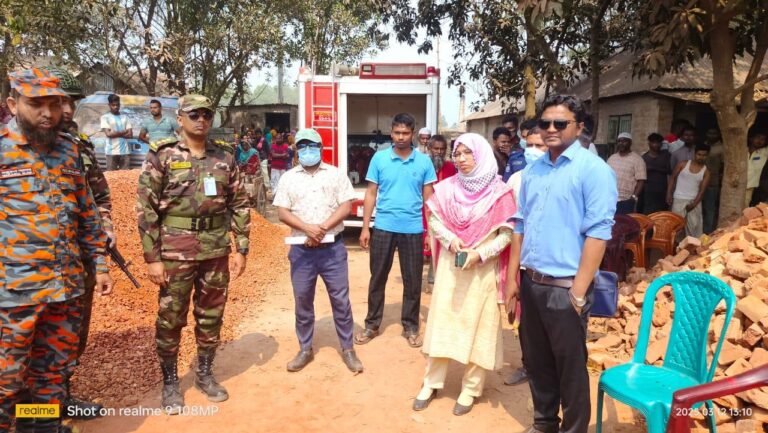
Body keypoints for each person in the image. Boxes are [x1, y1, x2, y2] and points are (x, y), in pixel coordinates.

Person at [0, 68, 113, 433]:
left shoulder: (68, 149)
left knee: (51, 375)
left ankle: (42, 427)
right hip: (14, 294)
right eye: (36, 105)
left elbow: (88, 214)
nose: (47, 113)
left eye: (54, 104)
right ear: (13, 104)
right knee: (6, 379)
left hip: (66, 288)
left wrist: (100, 263)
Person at [508, 94, 617, 433]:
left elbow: (598, 234)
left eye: (560, 123)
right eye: (545, 123)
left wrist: (579, 293)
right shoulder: (533, 170)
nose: (551, 129)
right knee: (537, 361)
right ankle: (544, 423)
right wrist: (512, 280)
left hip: (566, 287)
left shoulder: (594, 171)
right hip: (531, 282)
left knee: (570, 368)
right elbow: (520, 225)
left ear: (579, 127)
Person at [136, 94, 251, 414]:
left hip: (215, 250)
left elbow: (240, 203)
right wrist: (152, 258)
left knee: (211, 315)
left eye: (206, 114)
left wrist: (241, 247)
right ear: (180, 118)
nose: (201, 120)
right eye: (194, 114)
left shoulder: (224, 156)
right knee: (171, 317)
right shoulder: (162, 154)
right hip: (175, 251)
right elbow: (146, 209)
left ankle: (204, 373)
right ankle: (171, 382)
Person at [413, 133, 516, 416]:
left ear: (480, 155)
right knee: (442, 322)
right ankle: (431, 383)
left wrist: (480, 253)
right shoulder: (446, 188)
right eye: (457, 154)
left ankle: (470, 388)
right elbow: (434, 220)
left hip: (482, 270)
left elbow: (507, 234)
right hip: (452, 267)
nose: (460, 159)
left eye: (467, 153)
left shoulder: (500, 193)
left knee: (479, 327)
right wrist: (450, 240)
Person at [50, 66, 116, 420]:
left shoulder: (80, 147)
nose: (65, 110)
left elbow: (100, 197)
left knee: (72, 335)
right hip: (25, 267)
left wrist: (106, 229)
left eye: (71, 102)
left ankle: (60, 400)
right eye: (58, 101)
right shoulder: (10, 148)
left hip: (79, 261)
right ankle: (29, 412)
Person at [274, 128, 363, 373]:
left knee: (340, 300)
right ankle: (305, 349)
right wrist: (307, 229)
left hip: (332, 250)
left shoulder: (335, 175)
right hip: (301, 252)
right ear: (296, 150)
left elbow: (346, 207)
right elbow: (282, 212)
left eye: (312, 145)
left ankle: (348, 349)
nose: (307, 150)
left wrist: (321, 229)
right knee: (303, 300)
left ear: (321, 148)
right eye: (302, 146)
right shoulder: (288, 178)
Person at [355, 113, 437, 348]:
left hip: (413, 229)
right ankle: (372, 325)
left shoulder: (424, 162)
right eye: (397, 133)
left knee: (412, 280)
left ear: (413, 134)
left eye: (405, 133)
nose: (401, 137)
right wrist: (365, 228)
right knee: (377, 277)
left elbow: (429, 200)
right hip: (383, 227)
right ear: (391, 133)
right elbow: (371, 193)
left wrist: (430, 233)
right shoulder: (379, 159)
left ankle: (410, 327)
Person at [424, 134, 458, 287]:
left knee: (440, 244)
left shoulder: (451, 167)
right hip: (422, 212)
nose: (439, 152)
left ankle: (434, 280)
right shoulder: (423, 165)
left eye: (442, 149)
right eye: (436, 149)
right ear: (429, 149)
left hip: (443, 214)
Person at [667, 144, 711, 237]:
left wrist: (694, 204)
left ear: (707, 156)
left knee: (694, 227)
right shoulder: (683, 164)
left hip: (694, 201)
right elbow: (672, 178)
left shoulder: (706, 172)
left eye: (704, 155)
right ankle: (676, 245)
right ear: (695, 154)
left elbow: (702, 191)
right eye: (699, 154)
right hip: (679, 199)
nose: (701, 157)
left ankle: (692, 245)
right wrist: (669, 194)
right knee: (676, 226)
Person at [607, 132, 646, 215]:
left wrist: (634, 197)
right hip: (609, 199)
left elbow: (641, 180)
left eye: (624, 141)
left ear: (630, 143)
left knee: (624, 222)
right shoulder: (611, 158)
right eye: (619, 141)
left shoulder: (637, 159)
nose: (621, 143)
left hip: (626, 201)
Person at [100, 93, 133, 170]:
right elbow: (108, 134)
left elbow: (130, 135)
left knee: (125, 175)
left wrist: (114, 133)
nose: (116, 107)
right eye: (113, 105)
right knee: (111, 175)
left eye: (117, 105)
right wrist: (124, 132)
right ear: (109, 105)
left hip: (125, 152)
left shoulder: (125, 117)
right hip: (111, 152)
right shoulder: (105, 117)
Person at [641, 133, 672, 214]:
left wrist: (653, 168)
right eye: (654, 142)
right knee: (648, 212)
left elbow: (669, 171)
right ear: (649, 143)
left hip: (663, 190)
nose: (656, 145)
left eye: (658, 143)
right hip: (648, 190)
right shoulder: (644, 157)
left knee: (661, 214)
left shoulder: (666, 156)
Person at [703, 128, 723, 232]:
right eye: (709, 133)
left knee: (709, 208)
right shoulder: (703, 144)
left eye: (714, 133)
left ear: (719, 134)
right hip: (697, 181)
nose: (711, 135)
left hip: (712, 181)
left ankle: (707, 232)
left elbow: (724, 165)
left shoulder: (722, 148)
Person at [747, 132, 768, 206]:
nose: (760, 141)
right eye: (758, 137)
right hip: (736, 186)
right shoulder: (741, 150)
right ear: (751, 138)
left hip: (751, 187)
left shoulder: (764, 152)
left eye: (763, 139)